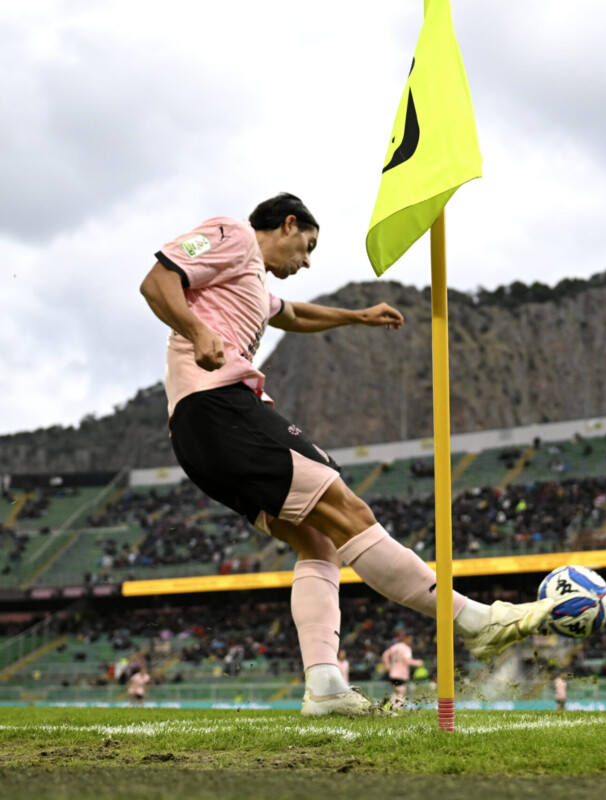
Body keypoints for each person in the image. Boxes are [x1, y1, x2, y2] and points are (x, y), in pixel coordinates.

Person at [140, 192, 555, 717]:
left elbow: (292, 314)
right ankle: (474, 621)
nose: (307, 261)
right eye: (307, 246)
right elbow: (157, 281)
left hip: (199, 435)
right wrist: (198, 329)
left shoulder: (251, 283)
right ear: (288, 224)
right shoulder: (233, 235)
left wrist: (356, 316)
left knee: (318, 543)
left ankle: (325, 687)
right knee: (348, 510)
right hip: (218, 405)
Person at [382, 633, 423, 709]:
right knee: (401, 692)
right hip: (401, 674)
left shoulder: (396, 646)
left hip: (393, 673)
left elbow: (385, 654)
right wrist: (418, 663)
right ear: (405, 639)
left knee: (396, 691)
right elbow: (407, 660)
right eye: (410, 639)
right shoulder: (406, 648)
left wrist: (387, 665)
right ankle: (396, 708)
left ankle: (387, 706)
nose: (411, 641)